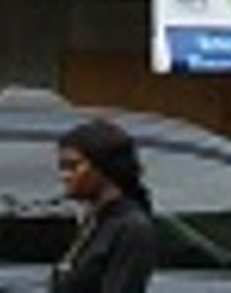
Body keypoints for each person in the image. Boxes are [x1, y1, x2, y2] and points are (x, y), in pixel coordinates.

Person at [51, 117, 158, 292]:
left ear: (104, 168)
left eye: (73, 166)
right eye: (62, 167)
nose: (65, 176)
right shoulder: (93, 221)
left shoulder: (130, 228)